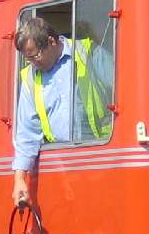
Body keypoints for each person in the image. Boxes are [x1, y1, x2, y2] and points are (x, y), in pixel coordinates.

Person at [11, 18, 114, 206]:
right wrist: (19, 179)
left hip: (101, 159)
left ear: (52, 41)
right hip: (64, 169)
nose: (32, 63)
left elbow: (123, 90)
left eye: (35, 56)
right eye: (28, 59)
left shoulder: (88, 53)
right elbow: (27, 134)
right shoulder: (30, 78)